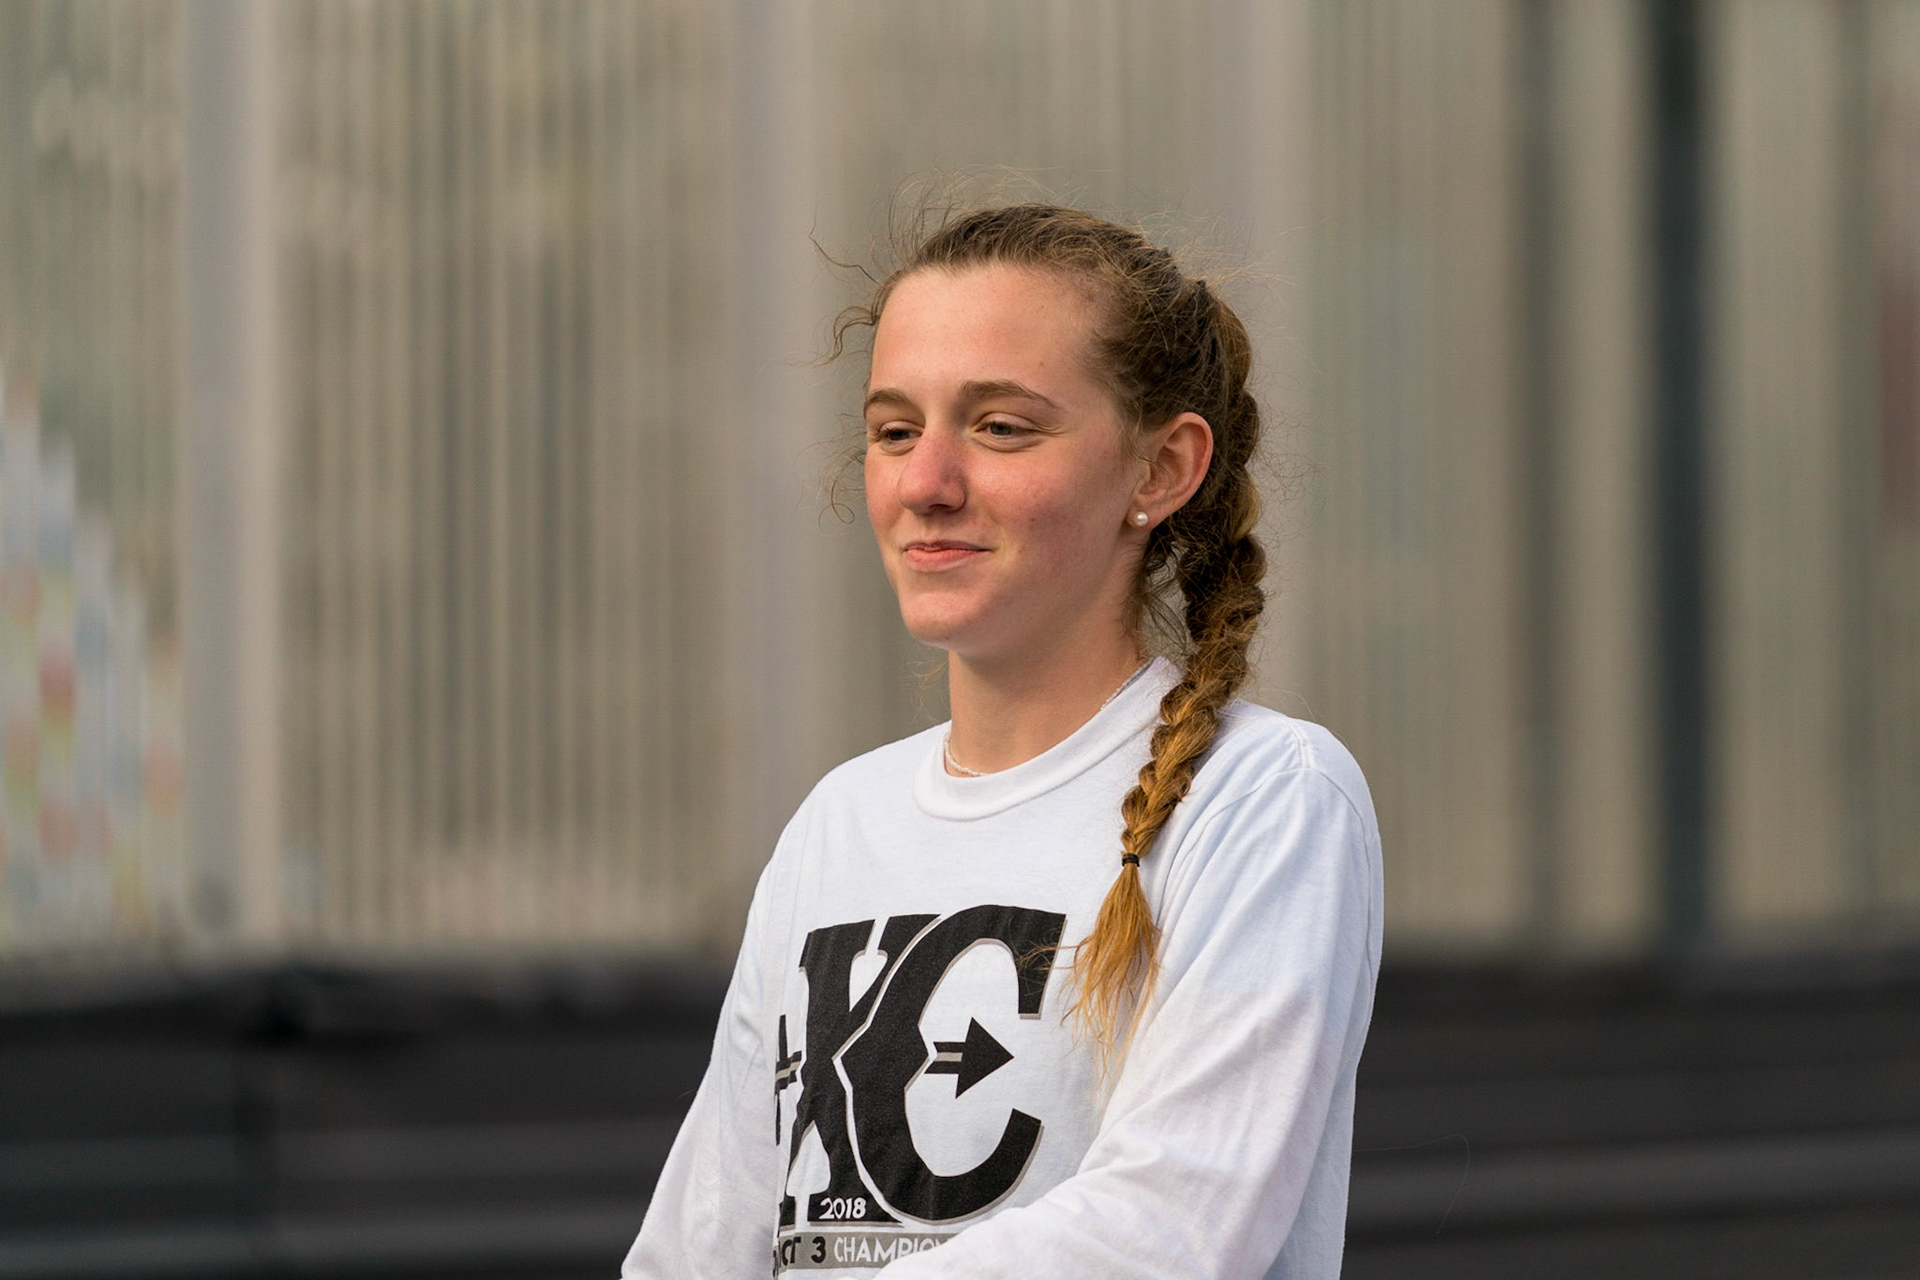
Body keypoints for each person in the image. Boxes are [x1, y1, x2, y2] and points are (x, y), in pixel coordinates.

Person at [623, 204, 1383, 1278]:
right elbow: (698, 1248)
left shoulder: (1264, 797)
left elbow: (1168, 1234)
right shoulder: (838, 824)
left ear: (1161, 469)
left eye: (1001, 427)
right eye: (895, 431)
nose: (926, 484)